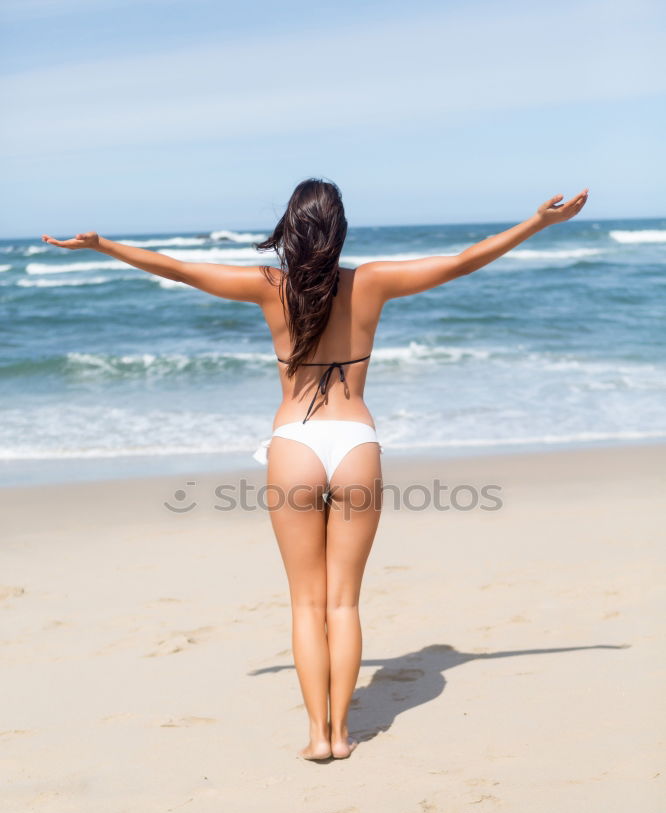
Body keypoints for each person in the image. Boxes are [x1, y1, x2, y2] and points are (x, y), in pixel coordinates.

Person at [42, 177, 589, 762]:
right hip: (355, 441)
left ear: (290, 227)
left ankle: (318, 736)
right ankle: (346, 732)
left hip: (294, 443)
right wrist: (537, 224)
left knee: (305, 602)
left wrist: (106, 247)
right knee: (344, 603)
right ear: (339, 229)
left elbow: (180, 270)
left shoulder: (268, 287)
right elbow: (462, 262)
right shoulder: (371, 283)